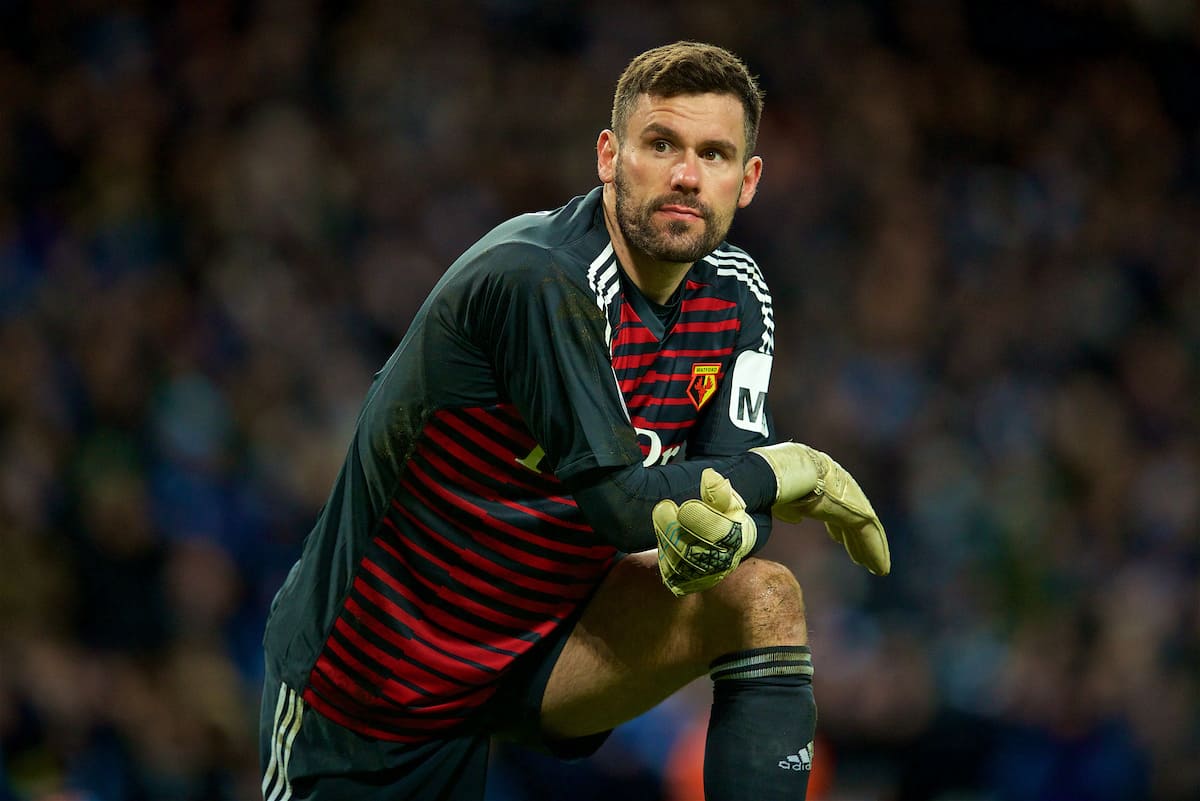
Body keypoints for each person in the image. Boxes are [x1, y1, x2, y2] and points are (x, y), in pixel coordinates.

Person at [259, 40, 890, 801]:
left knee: (765, 598)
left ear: (747, 180)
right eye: (662, 145)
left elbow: (736, 495)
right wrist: (796, 467)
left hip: (537, 646)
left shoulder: (738, 297)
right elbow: (621, 503)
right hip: (372, 680)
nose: (687, 175)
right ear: (609, 157)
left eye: (715, 154)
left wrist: (722, 540)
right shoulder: (540, 278)